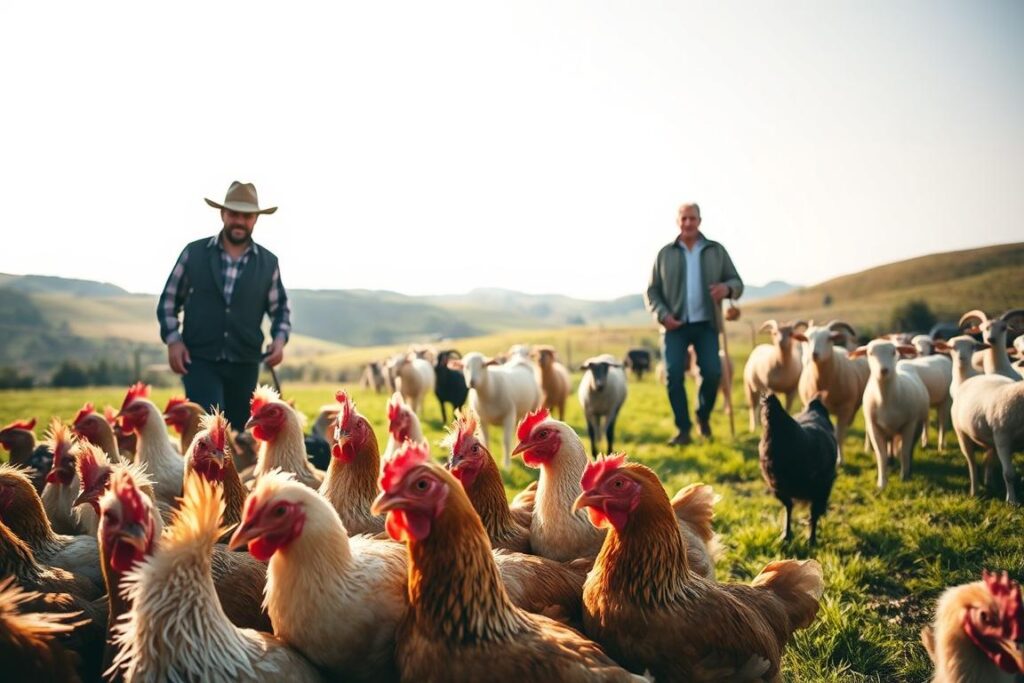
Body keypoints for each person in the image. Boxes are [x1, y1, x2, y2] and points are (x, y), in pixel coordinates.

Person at [157, 181, 291, 432]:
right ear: (223, 214)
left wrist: (279, 341)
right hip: (199, 360)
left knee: (241, 432)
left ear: (256, 220)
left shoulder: (268, 263)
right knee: (209, 428)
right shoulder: (193, 253)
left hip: (245, 362)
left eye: (247, 215)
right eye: (234, 214)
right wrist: (174, 341)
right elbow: (168, 302)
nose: (239, 221)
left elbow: (281, 310)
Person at [644, 202, 743, 445]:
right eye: (684, 218)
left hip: (706, 324)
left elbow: (736, 282)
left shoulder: (716, 251)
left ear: (700, 220)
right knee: (673, 375)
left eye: (693, 218)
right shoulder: (665, 253)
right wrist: (663, 315)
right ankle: (683, 430)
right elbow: (652, 291)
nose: (688, 223)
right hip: (673, 325)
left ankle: (702, 415)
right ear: (678, 221)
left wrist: (726, 288)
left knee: (712, 372)